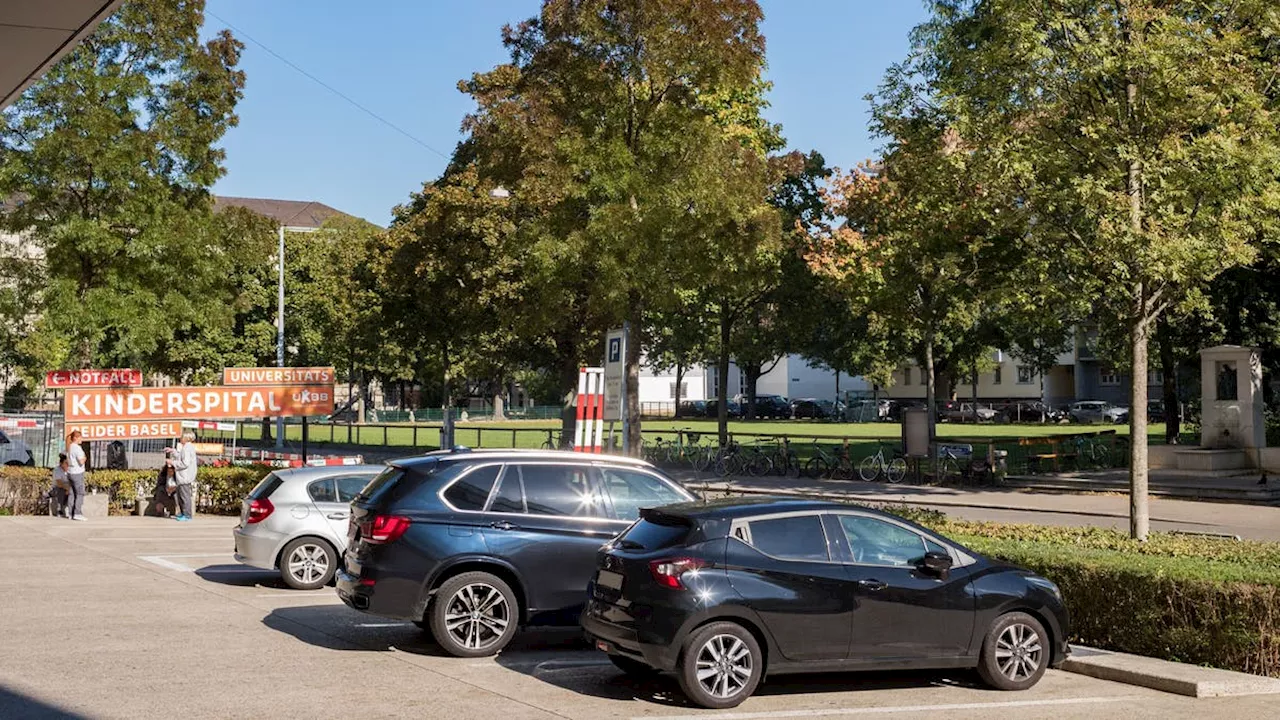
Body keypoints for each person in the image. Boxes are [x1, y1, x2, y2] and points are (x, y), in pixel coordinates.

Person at [168, 431, 197, 522]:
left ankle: (187, 515)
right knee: (181, 495)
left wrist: (172, 462)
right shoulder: (187, 447)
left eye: (182, 437)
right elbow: (181, 457)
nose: (180, 438)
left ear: (186, 438)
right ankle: (184, 513)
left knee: (185, 496)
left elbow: (185, 463)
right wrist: (173, 451)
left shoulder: (187, 448)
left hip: (185, 476)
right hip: (184, 476)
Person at [65, 431, 87, 521]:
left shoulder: (69, 447)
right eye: (80, 437)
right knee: (80, 493)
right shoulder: (77, 448)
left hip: (70, 472)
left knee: (72, 493)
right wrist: (85, 458)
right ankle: (77, 513)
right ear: (76, 438)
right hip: (77, 473)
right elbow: (81, 461)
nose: (82, 439)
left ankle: (71, 513)